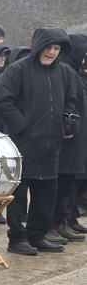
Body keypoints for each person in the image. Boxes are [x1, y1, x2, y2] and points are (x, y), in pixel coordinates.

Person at [0, 27, 80, 256]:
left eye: (56, 48)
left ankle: (37, 234)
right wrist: (23, 126)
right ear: (38, 45)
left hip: (52, 145)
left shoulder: (64, 72)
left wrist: (68, 122)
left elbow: (72, 101)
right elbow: (2, 103)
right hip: (22, 144)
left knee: (46, 192)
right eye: (48, 46)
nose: (51, 52)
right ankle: (17, 238)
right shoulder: (17, 70)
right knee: (19, 194)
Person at [57, 35, 87, 240]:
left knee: (75, 180)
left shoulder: (74, 72)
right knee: (67, 180)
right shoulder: (67, 72)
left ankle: (69, 218)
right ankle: (60, 220)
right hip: (69, 135)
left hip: (78, 132)